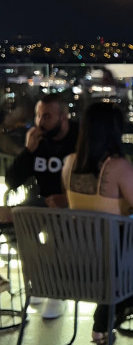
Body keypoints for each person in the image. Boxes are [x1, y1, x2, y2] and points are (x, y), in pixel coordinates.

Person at [62, 102, 133, 345]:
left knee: (125, 252)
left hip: (78, 260)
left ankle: (105, 321)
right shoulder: (118, 167)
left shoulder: (69, 163)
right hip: (115, 263)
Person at [7, 95, 79, 319]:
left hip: (71, 203)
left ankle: (56, 292)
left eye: (46, 116)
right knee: (14, 225)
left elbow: (91, 178)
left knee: (58, 231)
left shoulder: (79, 139)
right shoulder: (37, 141)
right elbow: (12, 181)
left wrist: (67, 198)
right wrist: (28, 150)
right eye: (38, 115)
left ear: (63, 117)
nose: (40, 121)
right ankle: (41, 279)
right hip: (39, 200)